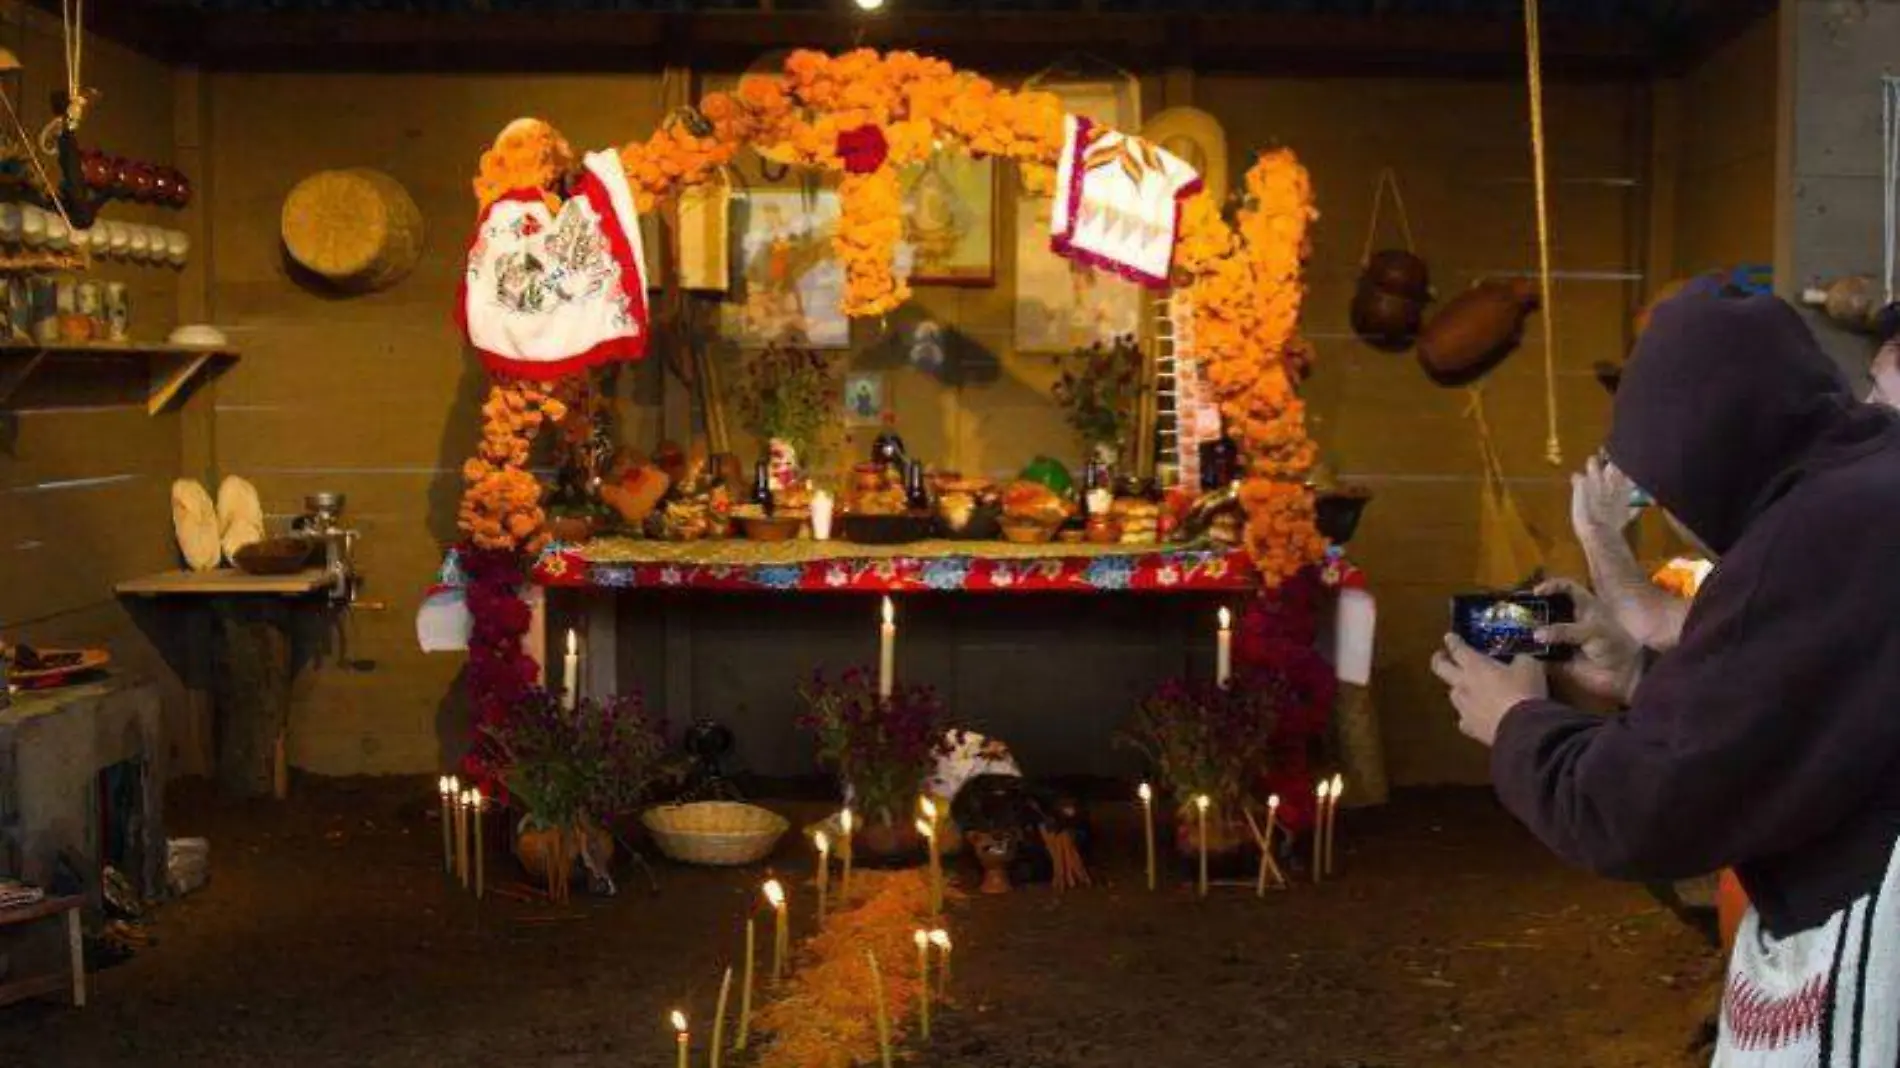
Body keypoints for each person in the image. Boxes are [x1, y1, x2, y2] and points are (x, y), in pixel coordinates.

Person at [1431, 281, 1900, 1065]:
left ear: (1705, 456)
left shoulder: (1812, 535)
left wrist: (1515, 724)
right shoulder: (1861, 493)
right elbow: (1801, 714)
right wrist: (1643, 677)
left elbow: (1647, 806)